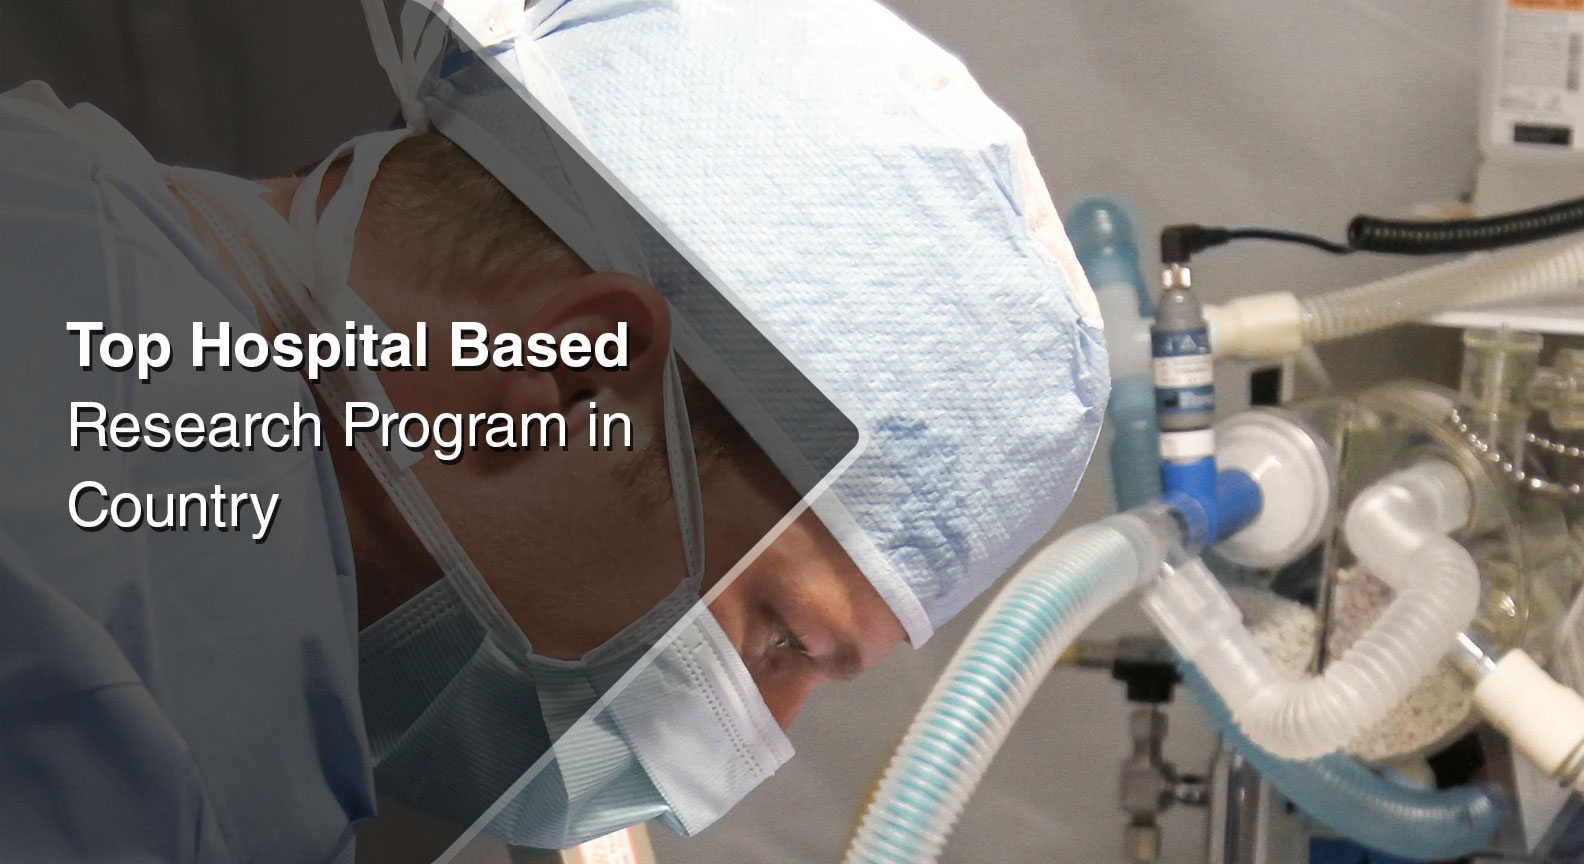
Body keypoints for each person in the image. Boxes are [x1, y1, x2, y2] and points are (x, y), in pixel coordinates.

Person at [0, 0, 1108, 862]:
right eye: (781, 642)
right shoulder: (143, 703)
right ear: (574, 377)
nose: (719, 777)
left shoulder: (54, 201)